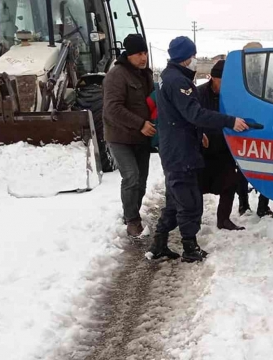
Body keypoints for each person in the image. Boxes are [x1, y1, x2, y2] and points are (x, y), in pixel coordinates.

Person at [146, 36, 249, 263]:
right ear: (185, 58)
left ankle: (159, 243)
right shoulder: (178, 82)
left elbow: (179, 115)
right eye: (192, 56)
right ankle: (190, 249)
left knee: (175, 199)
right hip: (181, 150)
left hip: (174, 146)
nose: (194, 60)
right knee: (190, 201)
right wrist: (229, 121)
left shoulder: (166, 77)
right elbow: (195, 113)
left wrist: (198, 132)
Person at [103, 34, 156, 238]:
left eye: (145, 53)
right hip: (120, 136)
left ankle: (131, 212)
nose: (143, 58)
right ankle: (132, 220)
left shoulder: (146, 74)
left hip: (142, 138)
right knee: (131, 177)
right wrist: (140, 123)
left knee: (141, 181)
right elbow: (112, 109)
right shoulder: (117, 75)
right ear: (129, 54)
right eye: (139, 54)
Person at [196, 60, 245, 231]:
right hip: (203, 148)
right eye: (222, 81)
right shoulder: (199, 93)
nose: (225, 85)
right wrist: (199, 132)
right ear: (213, 78)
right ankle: (195, 220)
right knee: (197, 186)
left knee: (230, 183)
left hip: (225, 147)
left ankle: (223, 219)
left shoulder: (234, 96)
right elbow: (192, 116)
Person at [236, 41, 273, 218]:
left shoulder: (268, 76)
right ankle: (244, 204)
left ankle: (262, 205)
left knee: (266, 168)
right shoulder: (239, 77)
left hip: (263, 129)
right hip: (245, 128)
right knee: (243, 168)